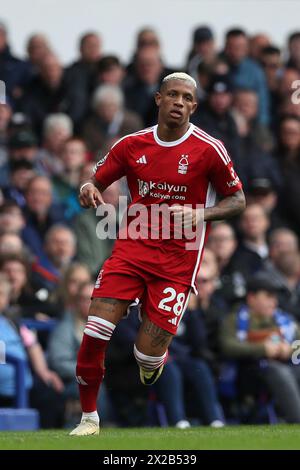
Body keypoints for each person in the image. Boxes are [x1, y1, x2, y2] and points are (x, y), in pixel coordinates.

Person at [70, 72, 245, 436]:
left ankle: (152, 360)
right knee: (95, 329)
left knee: (147, 356)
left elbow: (238, 199)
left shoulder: (209, 149)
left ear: (194, 106)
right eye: (172, 95)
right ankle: (89, 418)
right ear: (158, 99)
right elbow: (94, 180)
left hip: (178, 260)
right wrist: (87, 188)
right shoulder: (131, 145)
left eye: (186, 97)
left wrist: (200, 213)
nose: (179, 102)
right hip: (133, 248)